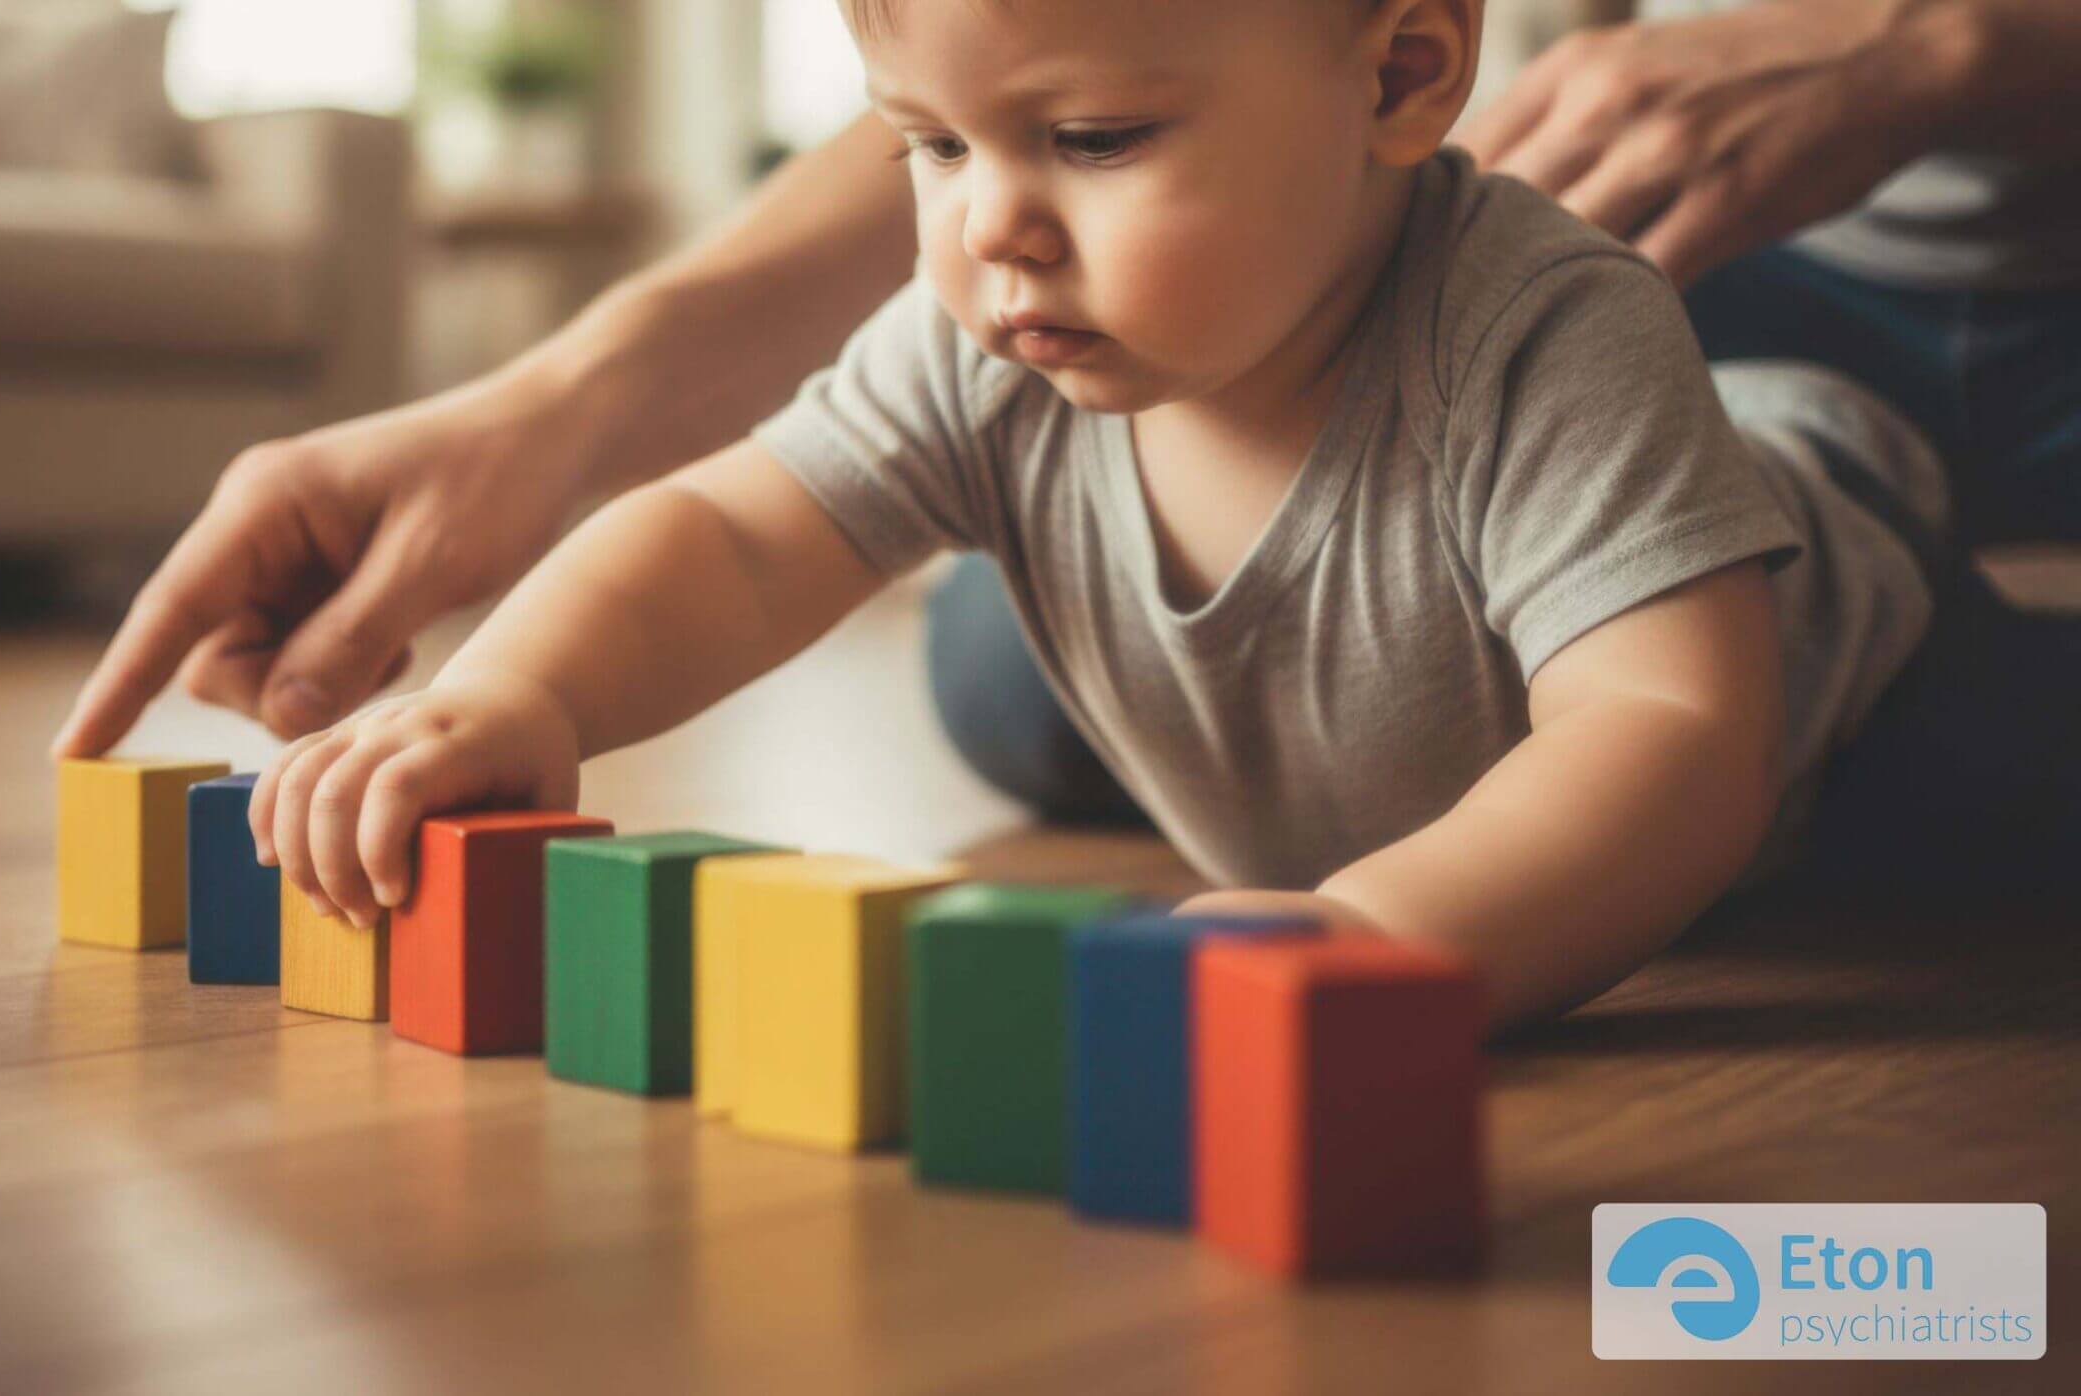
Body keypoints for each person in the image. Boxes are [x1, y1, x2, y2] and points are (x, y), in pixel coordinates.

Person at [228, 0, 1969, 1033]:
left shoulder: (1544, 332)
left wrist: (1370, 940)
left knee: (1985, 808)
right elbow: (740, 534)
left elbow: (1668, 731)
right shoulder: (986, 338)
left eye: (1094, 135)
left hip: (1824, 640)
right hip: (1349, 724)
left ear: (1401, 75)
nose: (995, 227)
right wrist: (521, 693)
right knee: (990, 676)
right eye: (929, 143)